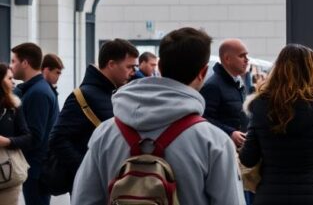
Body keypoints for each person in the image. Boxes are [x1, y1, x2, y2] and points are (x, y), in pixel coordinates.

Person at [71, 27, 245, 205]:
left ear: (160, 67)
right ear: (203, 72)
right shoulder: (214, 142)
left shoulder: (105, 133)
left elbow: (83, 198)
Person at [240, 45, 313, 204]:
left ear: (278, 68)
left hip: (270, 196)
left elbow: (248, 158)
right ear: (311, 70)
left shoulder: (261, 106)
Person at [45, 39, 139, 194]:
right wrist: (86, 169)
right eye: (129, 66)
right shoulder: (81, 96)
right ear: (111, 64)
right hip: (90, 187)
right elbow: (57, 138)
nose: (133, 72)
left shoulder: (112, 92)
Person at [11, 42, 57, 205]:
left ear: (25, 63)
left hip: (36, 170)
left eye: (13, 61)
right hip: (35, 168)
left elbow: (35, 137)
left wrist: (8, 141)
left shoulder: (38, 93)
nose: (11, 66)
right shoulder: (35, 89)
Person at [201, 39, 250, 150]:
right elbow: (204, 119)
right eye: (242, 56)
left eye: (247, 55)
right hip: (223, 149)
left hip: (239, 149)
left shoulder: (238, 82)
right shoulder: (212, 85)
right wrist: (230, 133)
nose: (247, 60)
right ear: (227, 59)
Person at [0, 63, 32, 205]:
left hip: (8, 176)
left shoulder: (14, 106)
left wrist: (6, 141)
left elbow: (27, 138)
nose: (13, 82)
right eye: (9, 78)